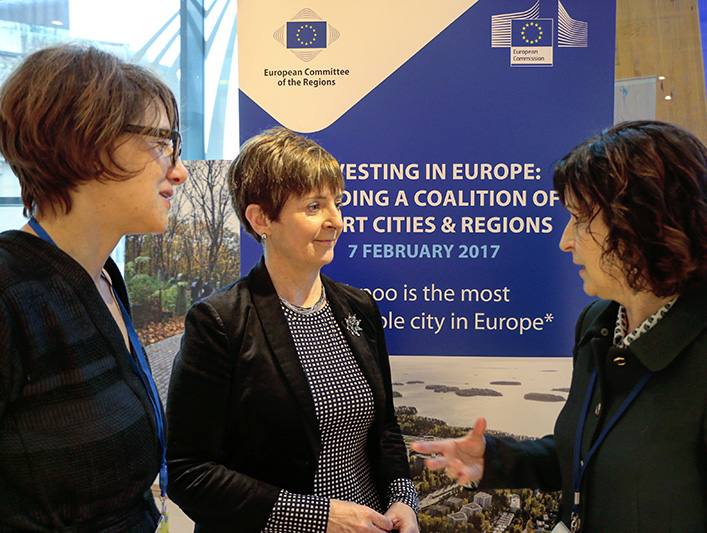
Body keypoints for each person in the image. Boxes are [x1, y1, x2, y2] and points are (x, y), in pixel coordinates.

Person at [412, 120, 707, 532]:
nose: (565, 240)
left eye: (580, 219)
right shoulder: (598, 323)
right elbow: (589, 452)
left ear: (642, 225)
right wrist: (493, 459)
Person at [166, 127, 419, 533]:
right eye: (314, 206)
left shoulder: (359, 308)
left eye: (337, 202)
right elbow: (189, 472)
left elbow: (385, 427)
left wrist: (404, 499)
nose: (336, 221)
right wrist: (319, 518)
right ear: (261, 219)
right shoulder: (219, 322)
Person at [0, 44, 187, 531]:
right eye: (161, 142)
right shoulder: (9, 294)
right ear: (86, 144)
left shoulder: (103, 278)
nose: (179, 169)